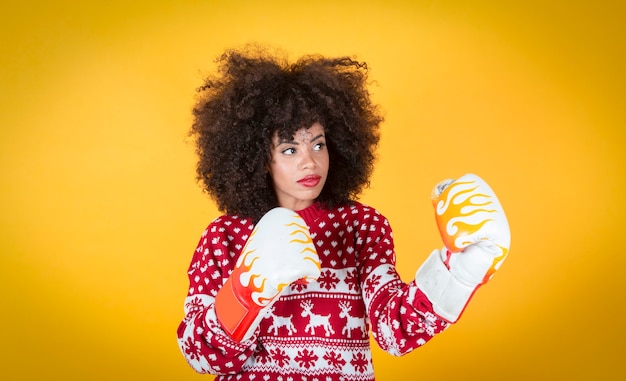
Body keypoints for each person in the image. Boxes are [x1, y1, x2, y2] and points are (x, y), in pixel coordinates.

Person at [176, 45, 511, 381]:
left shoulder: (362, 227)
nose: (310, 161)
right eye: (290, 149)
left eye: (318, 144)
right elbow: (201, 357)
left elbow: (393, 332)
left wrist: (461, 272)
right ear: (260, 158)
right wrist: (244, 294)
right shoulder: (224, 236)